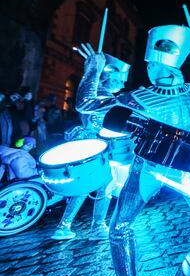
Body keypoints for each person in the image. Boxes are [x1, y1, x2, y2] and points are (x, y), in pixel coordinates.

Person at [108, 25, 190, 276]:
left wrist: (93, 69)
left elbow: (87, 104)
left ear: (157, 66)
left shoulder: (138, 97)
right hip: (184, 164)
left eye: (150, 64)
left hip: (152, 165)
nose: (148, 69)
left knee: (120, 228)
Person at [51, 44, 132, 241]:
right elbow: (85, 105)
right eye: (119, 80)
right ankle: (97, 227)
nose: (122, 85)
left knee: (85, 185)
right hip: (98, 147)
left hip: (89, 145)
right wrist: (93, 69)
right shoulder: (102, 95)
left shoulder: (100, 93)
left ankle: (64, 226)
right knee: (106, 185)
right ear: (108, 77)